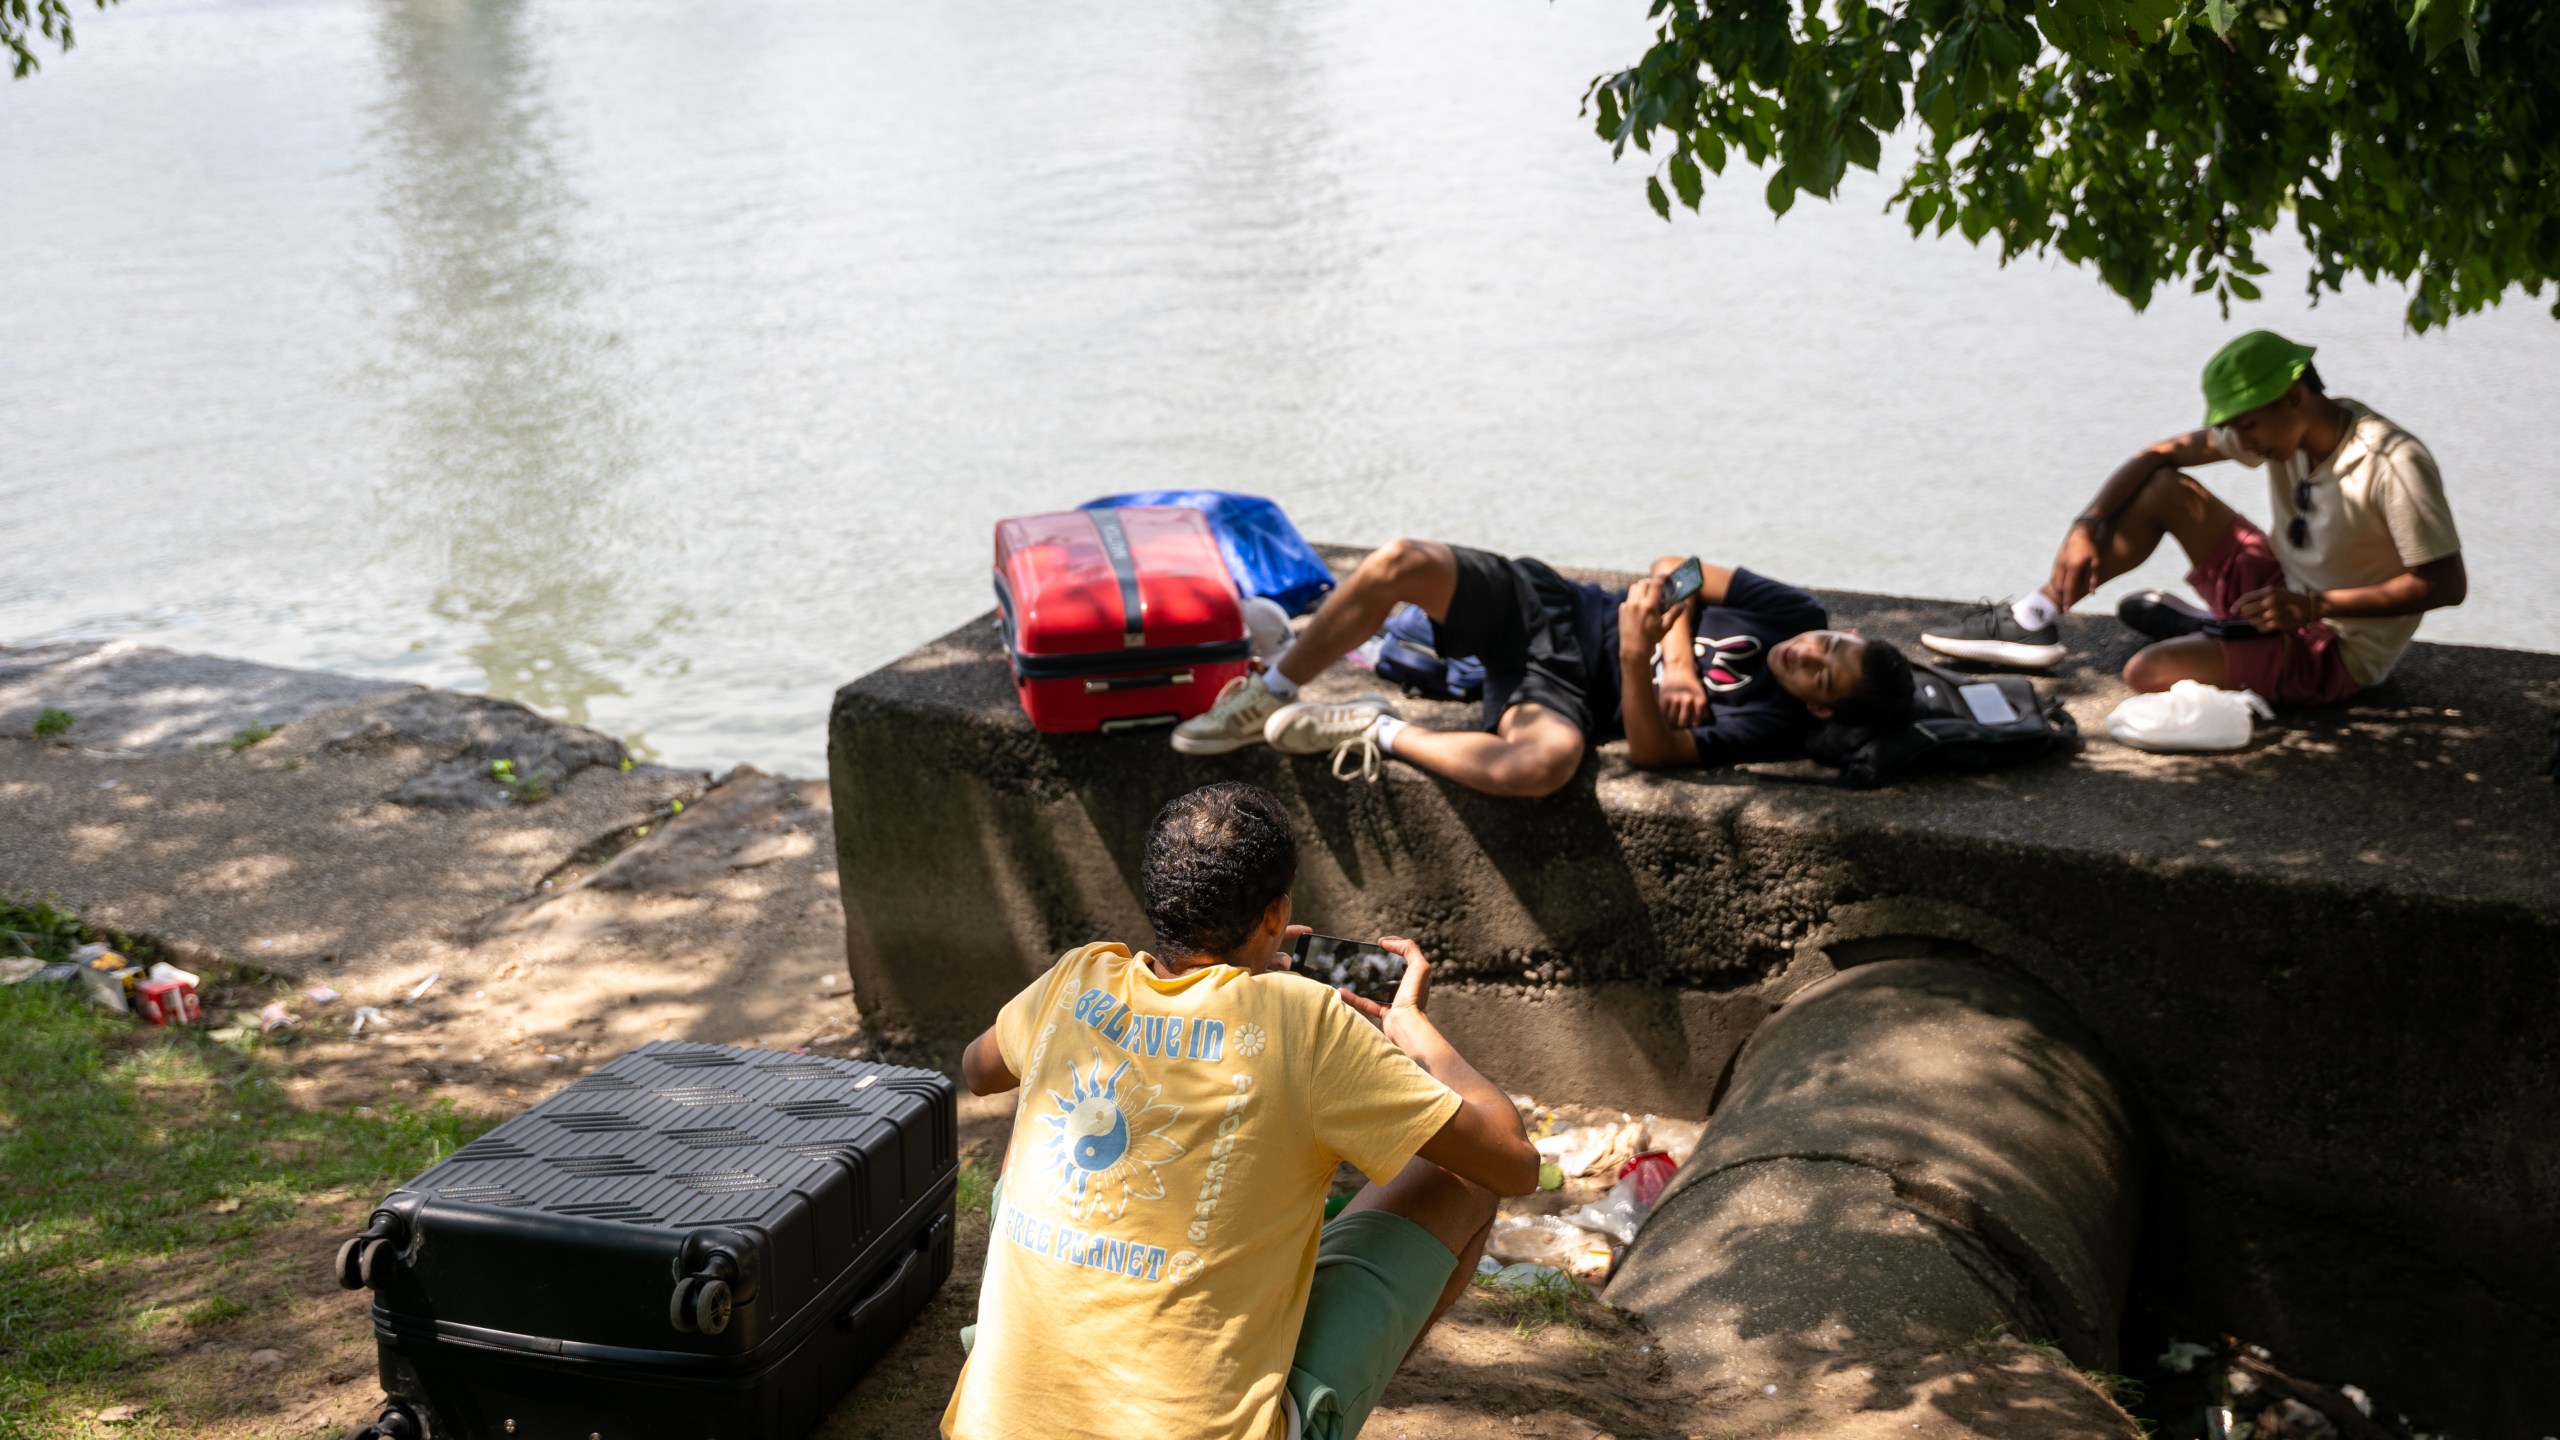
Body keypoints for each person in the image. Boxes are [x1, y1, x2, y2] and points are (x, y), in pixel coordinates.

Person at [943, 782, 1538, 1440]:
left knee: (1046, 1091)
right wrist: (1411, 1024)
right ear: (1276, 914)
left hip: (992, 1428)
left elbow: (978, 1069)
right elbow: (1511, 1165)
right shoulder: (1300, 1023)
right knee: (1461, 1177)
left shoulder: (1074, 979)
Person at [1920, 331, 2466, 704]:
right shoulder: (2287, 429)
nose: (2241, 442)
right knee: (2163, 489)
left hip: (2334, 646)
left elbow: (2445, 584)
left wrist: (2312, 606)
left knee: (2146, 671)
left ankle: (2213, 631)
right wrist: (2085, 524)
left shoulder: (2391, 462)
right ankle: (2035, 616)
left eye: (2248, 426)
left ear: (2294, 396)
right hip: (2282, 590)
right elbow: (2161, 454)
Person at [1169, 541, 1917, 797]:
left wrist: (1634, 659)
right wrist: (1676, 659)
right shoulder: (1796, 615)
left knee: (1542, 769)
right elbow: (1676, 569)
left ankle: (1376, 726)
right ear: (1841, 631)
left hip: (1565, 690)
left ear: (1820, 709)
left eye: (1823, 676)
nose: (1810, 657)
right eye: (1833, 648)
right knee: (1400, 560)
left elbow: (1658, 753)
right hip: (1548, 605)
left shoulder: (1773, 724)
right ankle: (1267, 691)